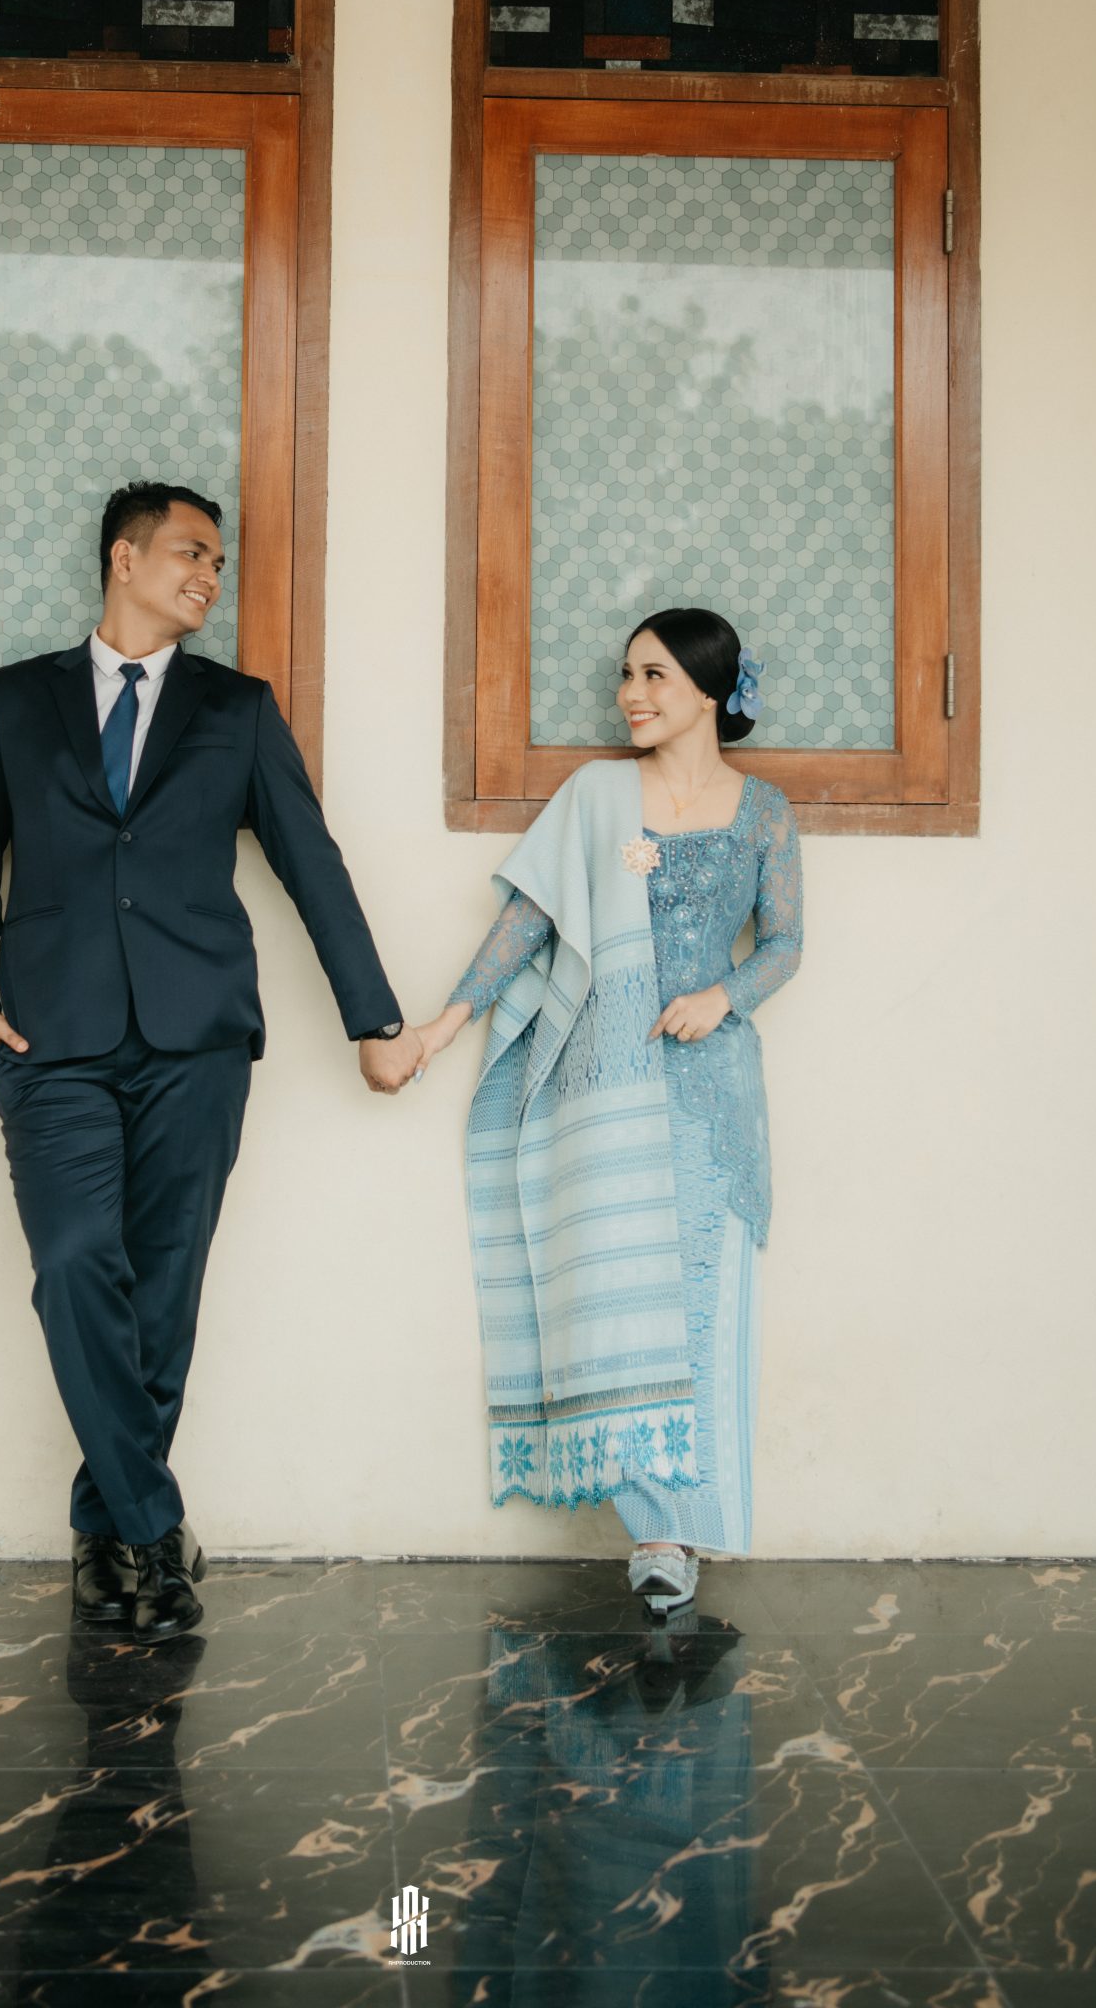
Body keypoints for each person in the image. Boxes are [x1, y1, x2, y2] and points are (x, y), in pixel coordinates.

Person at [0, 482, 424, 1640]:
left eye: (219, 562)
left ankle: (104, 1540)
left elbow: (311, 863)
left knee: (162, 1291)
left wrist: (374, 1020)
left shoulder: (235, 710)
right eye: (191, 553)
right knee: (74, 1264)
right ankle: (154, 1527)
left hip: (196, 1040)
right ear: (124, 557)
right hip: (50, 1041)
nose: (209, 576)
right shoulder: (14, 699)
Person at [411, 609, 802, 1620]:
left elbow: (784, 943)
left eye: (654, 675)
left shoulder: (764, 812)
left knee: (701, 1301)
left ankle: (690, 1524)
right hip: (603, 1079)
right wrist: (446, 1023)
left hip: (710, 1088)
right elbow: (528, 919)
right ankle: (656, 1532)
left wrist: (725, 996)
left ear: (710, 690)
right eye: (627, 675)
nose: (631, 695)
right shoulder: (596, 796)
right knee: (612, 1300)